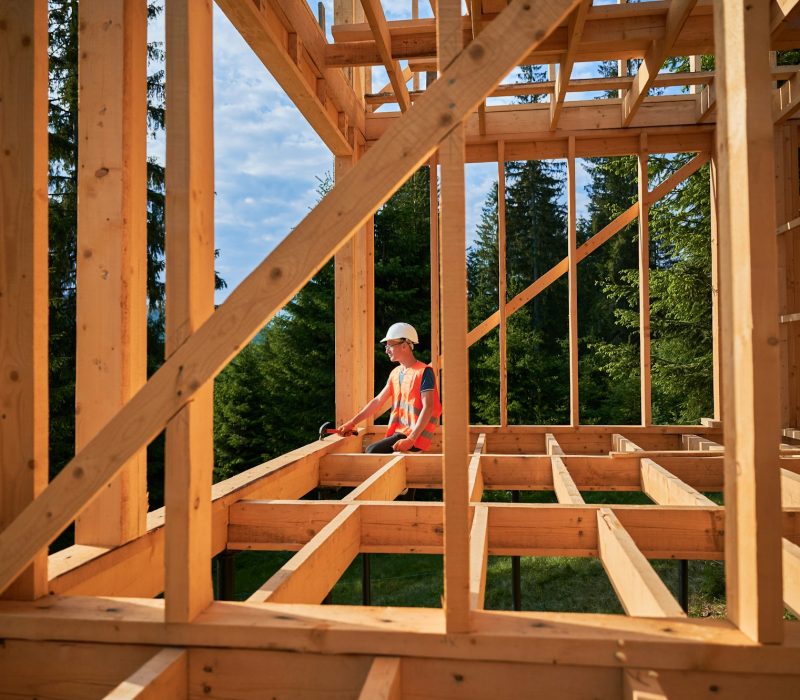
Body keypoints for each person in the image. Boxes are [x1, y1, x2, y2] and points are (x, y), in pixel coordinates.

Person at [337, 322, 442, 453]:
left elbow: (429, 407)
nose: (386, 350)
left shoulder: (424, 371)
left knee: (371, 451)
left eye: (389, 346)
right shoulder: (396, 373)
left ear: (404, 346)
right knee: (372, 451)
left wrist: (411, 439)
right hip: (399, 433)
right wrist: (352, 423)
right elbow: (377, 401)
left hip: (415, 437)